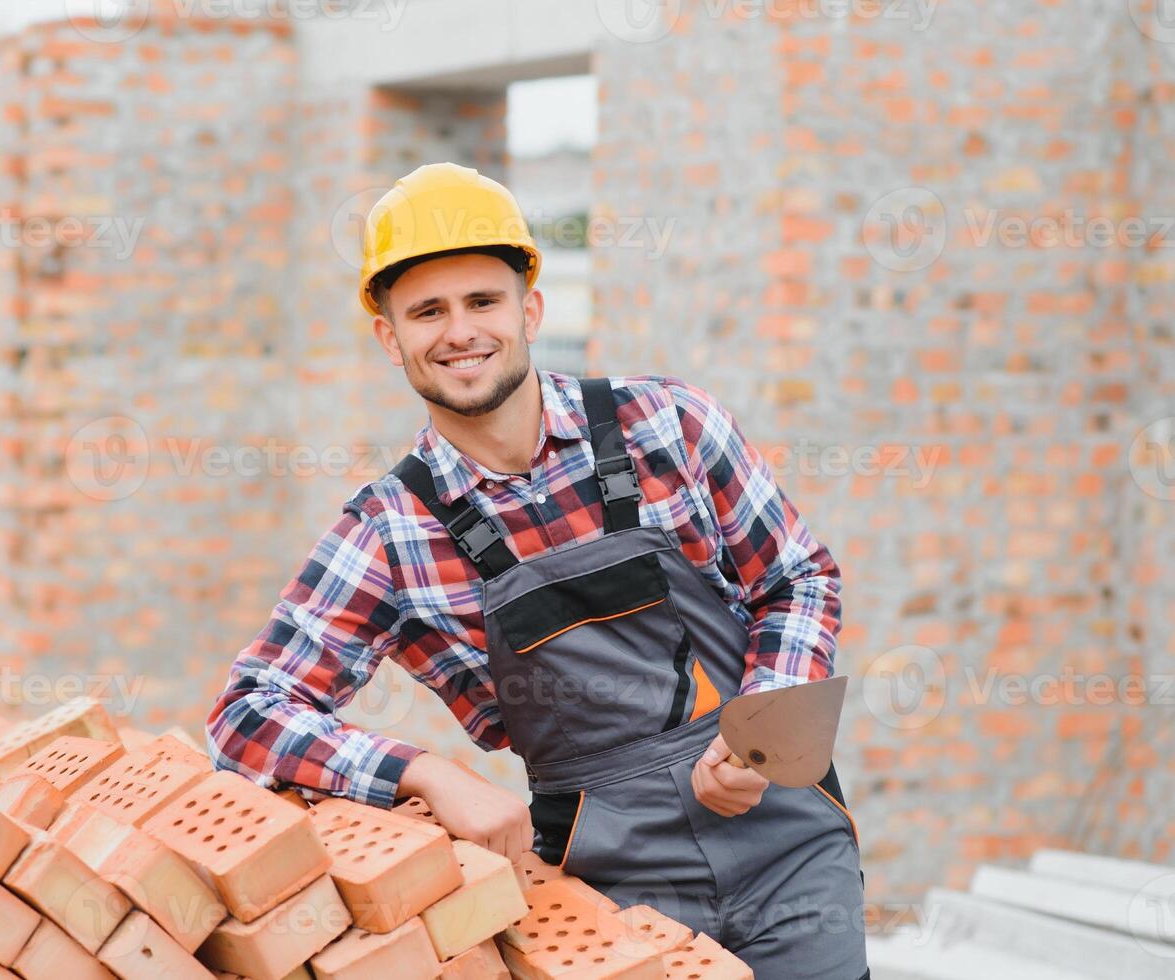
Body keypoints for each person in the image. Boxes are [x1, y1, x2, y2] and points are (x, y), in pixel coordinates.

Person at [206, 162, 869, 979]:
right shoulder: (391, 531)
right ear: (390, 338)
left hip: (786, 850)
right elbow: (247, 712)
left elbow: (797, 579)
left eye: (482, 301)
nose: (460, 332)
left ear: (530, 309)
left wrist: (762, 733)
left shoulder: (667, 422)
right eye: (427, 312)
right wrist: (423, 773)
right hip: (609, 885)